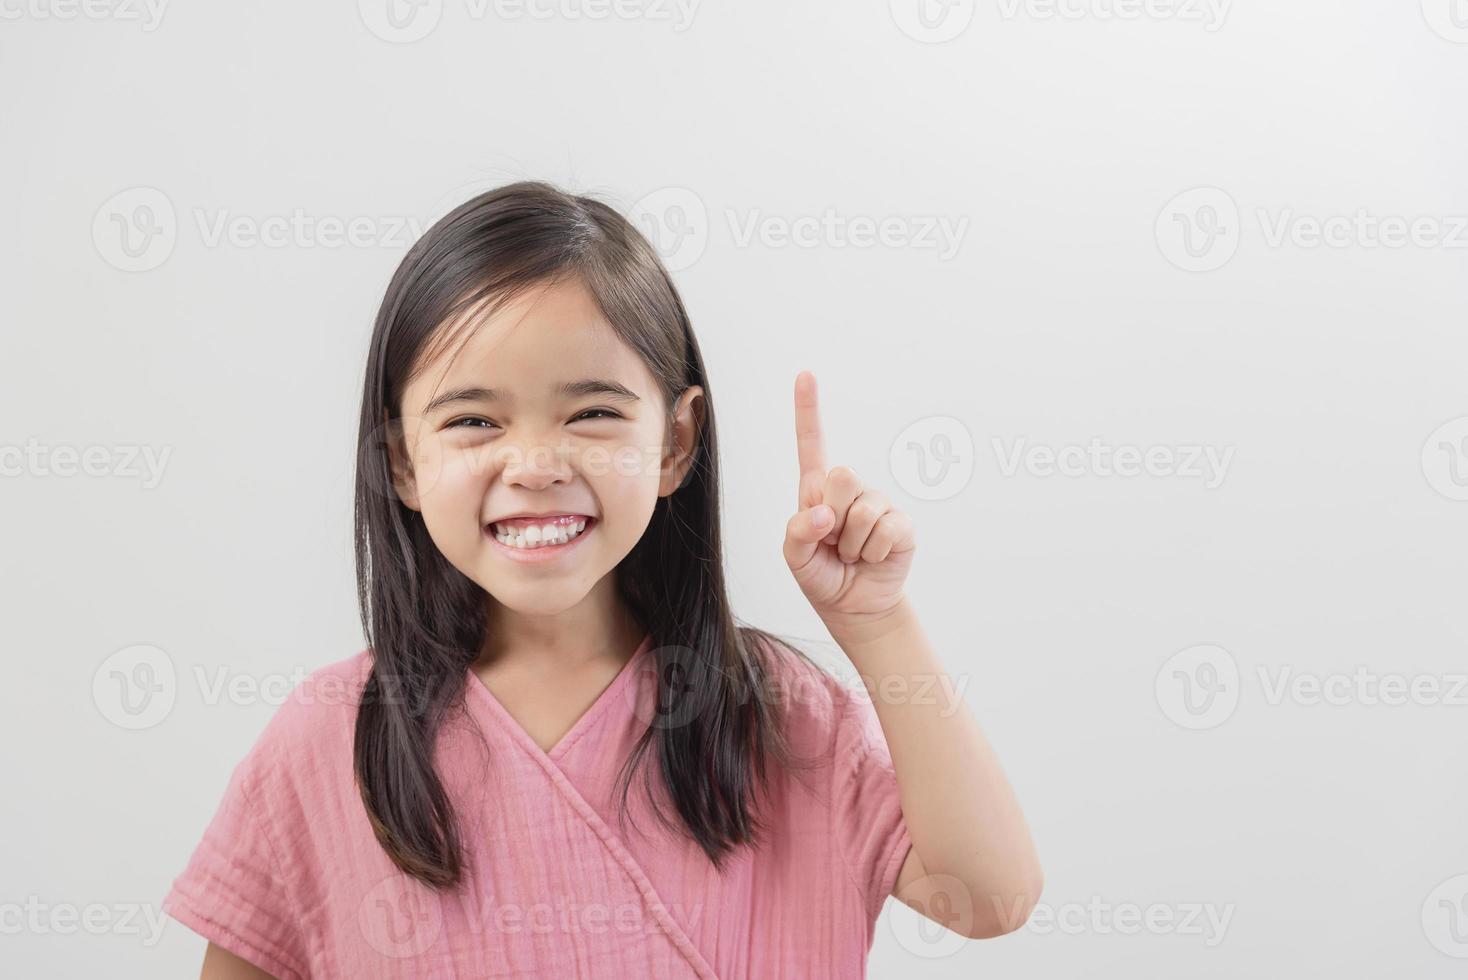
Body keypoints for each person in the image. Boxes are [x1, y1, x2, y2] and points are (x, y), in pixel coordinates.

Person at [161, 180, 1043, 978]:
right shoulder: (327, 740)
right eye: (473, 420)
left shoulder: (778, 715)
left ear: (675, 444)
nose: (536, 463)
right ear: (400, 462)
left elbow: (993, 898)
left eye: (590, 413)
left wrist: (878, 624)